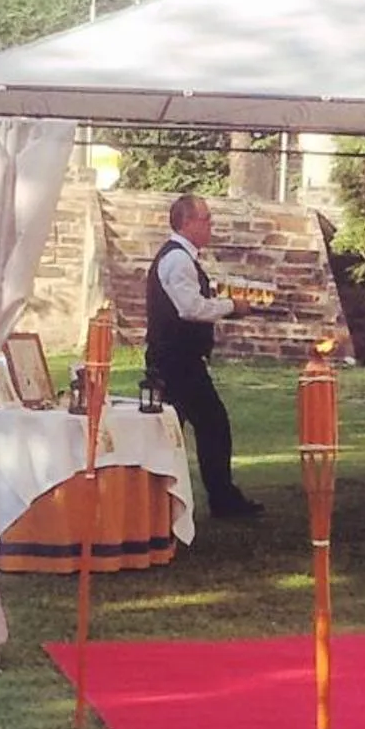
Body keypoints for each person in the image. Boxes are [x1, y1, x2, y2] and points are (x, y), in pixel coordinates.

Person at [145, 191, 261, 518]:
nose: (211, 225)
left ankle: (177, 500)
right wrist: (231, 307)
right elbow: (190, 308)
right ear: (187, 222)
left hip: (178, 359)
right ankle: (220, 499)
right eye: (206, 219)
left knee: (180, 428)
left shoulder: (182, 258)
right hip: (176, 360)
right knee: (208, 425)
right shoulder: (178, 259)